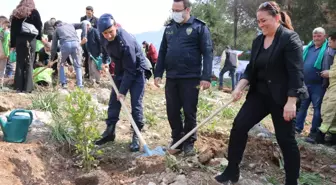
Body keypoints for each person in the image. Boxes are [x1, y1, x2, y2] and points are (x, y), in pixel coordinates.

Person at [214, 2, 307, 185]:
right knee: (239, 126)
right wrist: (239, 87)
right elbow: (250, 70)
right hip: (260, 95)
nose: (261, 24)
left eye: (264, 20)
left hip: (283, 98)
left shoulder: (289, 39)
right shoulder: (258, 41)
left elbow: (296, 72)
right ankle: (231, 171)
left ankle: (291, 181)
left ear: (277, 18)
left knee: (285, 140)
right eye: (258, 21)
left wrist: (291, 102)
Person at [154, 0, 213, 156]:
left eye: (178, 10)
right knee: (172, 111)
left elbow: (207, 53)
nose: (175, 13)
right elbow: (163, 52)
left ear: (187, 10)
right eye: (173, 10)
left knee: (189, 111)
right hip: (172, 77)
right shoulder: (169, 29)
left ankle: (189, 142)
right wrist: (158, 73)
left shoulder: (199, 27)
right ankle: (177, 139)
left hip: (191, 78)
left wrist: (206, 76)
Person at [95, 13, 151, 152]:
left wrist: (123, 91)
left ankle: (136, 136)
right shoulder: (103, 37)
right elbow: (104, 50)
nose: (108, 35)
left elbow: (131, 70)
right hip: (121, 69)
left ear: (115, 26)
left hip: (137, 71)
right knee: (114, 101)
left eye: (110, 32)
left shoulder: (125, 42)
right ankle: (110, 132)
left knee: (135, 104)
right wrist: (105, 62)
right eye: (105, 33)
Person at [295, 27, 333, 143]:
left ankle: (314, 133)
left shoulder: (329, 49)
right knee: (302, 107)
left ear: (324, 36)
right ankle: (297, 128)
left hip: (319, 85)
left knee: (317, 110)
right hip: (305, 84)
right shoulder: (308, 48)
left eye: (319, 36)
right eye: (315, 36)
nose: (316, 38)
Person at [10, 0, 43, 93]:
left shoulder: (17, 12)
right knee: (29, 63)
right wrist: (39, 37)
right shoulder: (34, 12)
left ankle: (18, 87)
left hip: (19, 40)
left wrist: (13, 44)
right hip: (31, 39)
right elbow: (39, 26)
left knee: (19, 63)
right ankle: (27, 88)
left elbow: (13, 29)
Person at [50, 20, 87, 88]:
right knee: (78, 66)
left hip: (65, 44)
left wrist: (51, 60)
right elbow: (84, 24)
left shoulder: (57, 30)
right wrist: (84, 36)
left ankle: (64, 84)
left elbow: (54, 47)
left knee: (61, 65)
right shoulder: (71, 25)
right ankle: (80, 85)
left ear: (55, 26)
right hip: (76, 44)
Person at [315, 32, 336, 145]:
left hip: (335, 88)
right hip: (332, 86)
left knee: (329, 110)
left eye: (330, 41)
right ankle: (332, 139)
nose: (328, 44)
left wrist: (330, 73)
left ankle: (319, 137)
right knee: (328, 109)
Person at [80, 6, 98, 79]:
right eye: (86, 12)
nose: (88, 14)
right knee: (86, 56)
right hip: (84, 39)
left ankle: (94, 75)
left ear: (93, 12)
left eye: (89, 13)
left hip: (92, 41)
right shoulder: (82, 18)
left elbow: (97, 31)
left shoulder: (96, 20)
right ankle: (87, 72)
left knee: (92, 57)